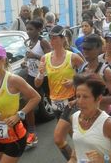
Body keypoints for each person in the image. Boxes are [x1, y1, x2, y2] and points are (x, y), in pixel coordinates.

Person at [0, 44, 41, 163]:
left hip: (15, 136)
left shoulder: (13, 80)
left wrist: (19, 114)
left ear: (2, 60)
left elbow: (35, 97)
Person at [35, 25, 84, 160]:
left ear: (63, 39)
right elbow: (37, 84)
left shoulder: (73, 57)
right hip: (55, 102)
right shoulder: (45, 58)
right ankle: (79, 158)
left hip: (72, 101)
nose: (51, 41)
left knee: (62, 137)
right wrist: (40, 73)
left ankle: (75, 160)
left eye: (55, 38)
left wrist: (74, 81)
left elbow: (89, 74)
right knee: (72, 135)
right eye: (50, 38)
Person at [68, 73, 111, 163]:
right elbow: (79, 144)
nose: (79, 101)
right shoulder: (74, 118)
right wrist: (72, 159)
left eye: (85, 97)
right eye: (78, 96)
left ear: (98, 99)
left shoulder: (107, 123)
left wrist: (104, 159)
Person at [23, 20, 52, 147]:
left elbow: (51, 58)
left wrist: (34, 56)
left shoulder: (43, 42)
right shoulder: (29, 42)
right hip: (31, 76)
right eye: (27, 29)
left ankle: (64, 124)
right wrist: (25, 61)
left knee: (53, 101)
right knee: (29, 102)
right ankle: (32, 132)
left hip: (45, 77)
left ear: (39, 29)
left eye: (31, 29)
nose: (28, 32)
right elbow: (28, 56)